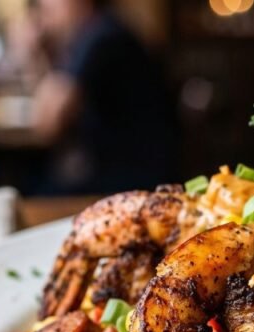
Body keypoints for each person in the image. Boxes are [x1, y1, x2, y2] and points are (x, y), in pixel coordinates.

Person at [14, 0, 172, 196]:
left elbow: (47, 124)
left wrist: (30, 53)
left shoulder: (100, 37)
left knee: (29, 188)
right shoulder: (94, 33)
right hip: (116, 168)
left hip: (130, 178)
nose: (45, 5)